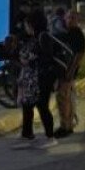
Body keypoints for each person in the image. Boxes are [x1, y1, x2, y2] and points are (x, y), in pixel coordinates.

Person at [13, 9, 58, 149]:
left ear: (33, 24)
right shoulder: (35, 37)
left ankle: (50, 137)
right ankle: (27, 134)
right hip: (32, 79)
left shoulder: (43, 36)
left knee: (42, 106)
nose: (25, 27)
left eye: (27, 24)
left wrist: (30, 61)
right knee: (28, 105)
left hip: (42, 78)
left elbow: (46, 57)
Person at [54, 12, 85, 139]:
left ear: (77, 20)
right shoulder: (67, 33)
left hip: (68, 72)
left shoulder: (77, 34)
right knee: (67, 98)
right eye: (68, 18)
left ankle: (65, 126)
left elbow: (79, 55)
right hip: (64, 71)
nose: (70, 20)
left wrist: (71, 71)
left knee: (63, 99)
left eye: (73, 18)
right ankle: (69, 124)